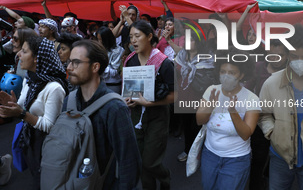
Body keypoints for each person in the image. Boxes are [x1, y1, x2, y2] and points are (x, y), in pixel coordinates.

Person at [63, 39, 141, 189]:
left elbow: (128, 161)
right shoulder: (69, 101)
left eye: (76, 62)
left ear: (95, 67)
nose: (69, 68)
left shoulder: (114, 108)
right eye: (69, 62)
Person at [0, 37, 68, 189]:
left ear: (37, 58)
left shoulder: (54, 88)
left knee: (47, 181)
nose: (18, 55)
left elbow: (50, 126)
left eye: (24, 51)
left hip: (47, 146)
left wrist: (21, 113)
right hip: (31, 140)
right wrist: (12, 106)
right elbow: (23, 107)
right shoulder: (30, 80)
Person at [259, 24, 303, 190]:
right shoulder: (272, 83)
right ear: (287, 54)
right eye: (294, 56)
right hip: (280, 158)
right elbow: (263, 114)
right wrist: (272, 133)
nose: (299, 61)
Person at [196, 48, 261, 190]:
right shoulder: (211, 90)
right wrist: (210, 106)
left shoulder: (251, 99)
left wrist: (233, 112)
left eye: (232, 73)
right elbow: (199, 120)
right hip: (210, 155)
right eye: (223, 72)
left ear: (241, 75)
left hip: (236, 159)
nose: (226, 76)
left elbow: (246, 134)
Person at [124, 20, 175, 190]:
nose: (133, 41)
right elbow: (130, 91)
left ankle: (165, 177)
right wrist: (128, 101)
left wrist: (151, 103)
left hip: (158, 115)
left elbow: (175, 95)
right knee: (140, 159)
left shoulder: (164, 63)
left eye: (137, 36)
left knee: (150, 161)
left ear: (150, 36)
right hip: (137, 115)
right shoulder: (130, 61)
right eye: (131, 37)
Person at [245, 40, 288, 190]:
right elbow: (247, 89)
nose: (277, 58)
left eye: (281, 55)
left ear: (287, 55)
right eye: (273, 54)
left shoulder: (291, 72)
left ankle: (270, 179)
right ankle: (256, 184)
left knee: (278, 158)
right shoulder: (258, 67)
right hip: (259, 121)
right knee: (258, 158)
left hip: (282, 124)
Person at [175, 29, 217, 162]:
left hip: (198, 97)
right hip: (183, 96)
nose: (188, 42)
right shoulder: (181, 56)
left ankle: (199, 152)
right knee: (187, 126)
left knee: (197, 126)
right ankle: (188, 151)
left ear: (198, 42)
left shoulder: (206, 58)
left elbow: (210, 79)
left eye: (192, 39)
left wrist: (195, 74)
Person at [95, 26, 124, 94]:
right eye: (98, 40)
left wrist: (99, 68)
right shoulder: (98, 50)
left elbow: (115, 71)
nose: (99, 42)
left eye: (101, 40)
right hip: (100, 83)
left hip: (113, 85)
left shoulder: (118, 50)